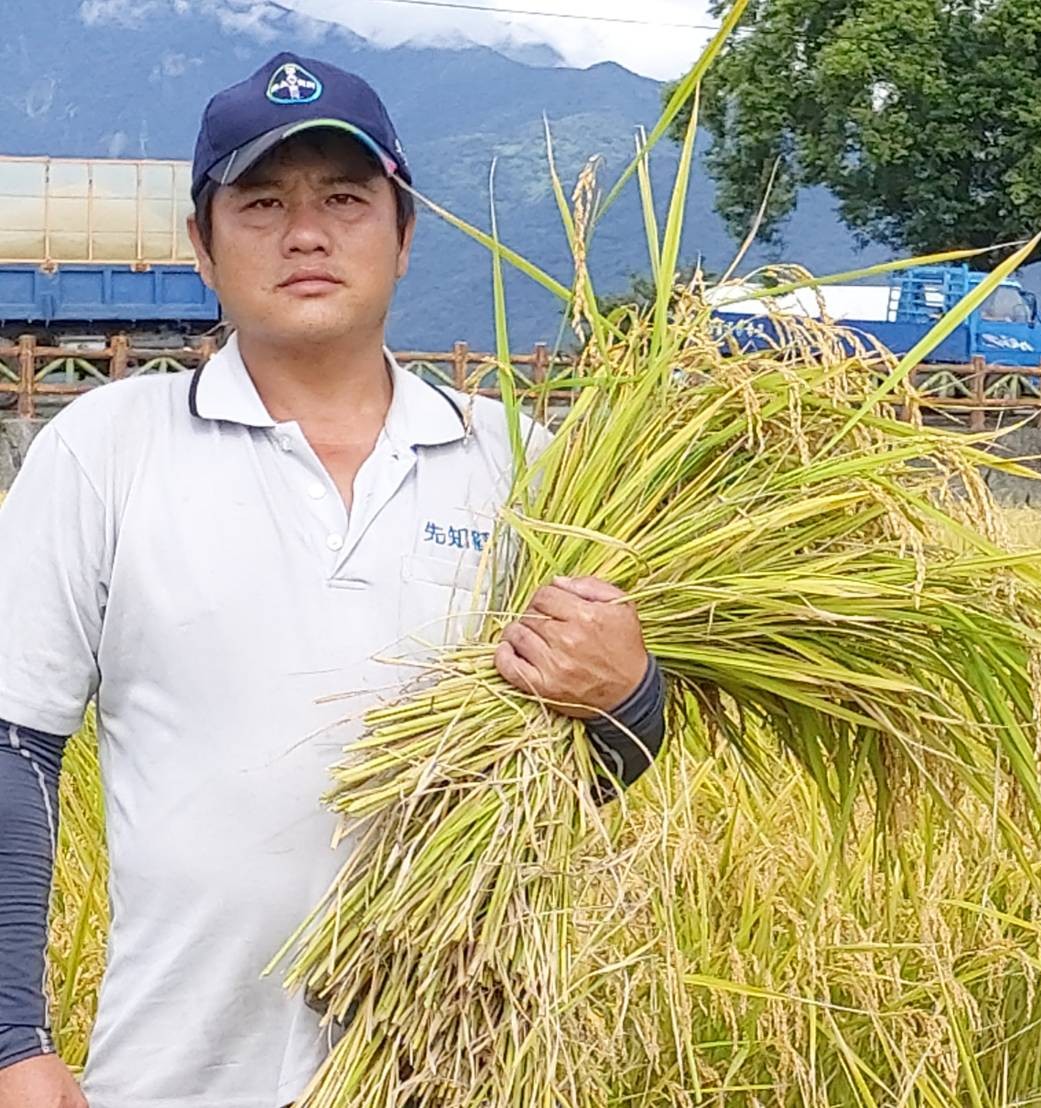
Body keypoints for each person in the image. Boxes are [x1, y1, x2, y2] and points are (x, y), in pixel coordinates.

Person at [0, 52, 666, 1108]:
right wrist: (9, 1044)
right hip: (178, 1074)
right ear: (201, 249)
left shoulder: (524, 466)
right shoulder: (108, 449)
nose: (305, 232)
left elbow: (575, 764)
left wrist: (630, 695)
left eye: (345, 200)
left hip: (455, 1064)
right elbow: (13, 747)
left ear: (404, 235)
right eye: (260, 202)